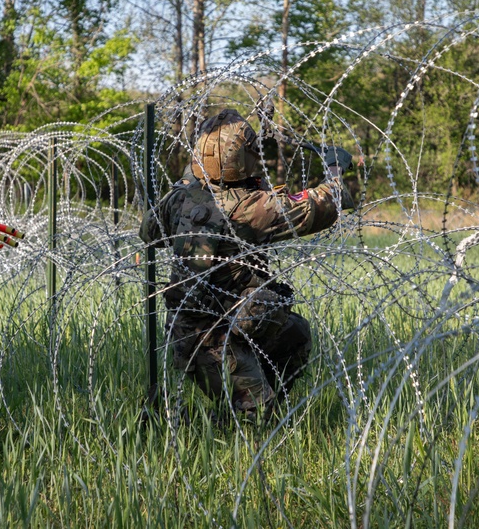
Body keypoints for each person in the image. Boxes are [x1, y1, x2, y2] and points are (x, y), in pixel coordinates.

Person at [139, 108, 354, 422]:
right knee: (260, 419)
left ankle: (250, 399)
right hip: (212, 343)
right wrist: (335, 171)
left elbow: (149, 232)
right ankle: (214, 421)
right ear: (244, 157)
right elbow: (322, 205)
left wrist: (191, 178)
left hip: (197, 329)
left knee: (295, 333)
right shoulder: (250, 208)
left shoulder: (182, 198)